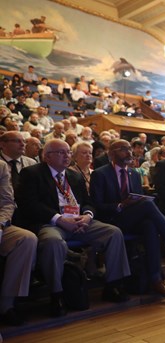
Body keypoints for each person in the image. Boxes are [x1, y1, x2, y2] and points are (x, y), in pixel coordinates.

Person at [15, 139, 132, 317]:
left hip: (79, 221)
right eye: (61, 152)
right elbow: (29, 204)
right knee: (53, 242)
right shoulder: (32, 173)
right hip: (51, 223)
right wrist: (59, 219)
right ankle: (57, 294)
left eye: (68, 152)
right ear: (46, 156)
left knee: (113, 232)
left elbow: (88, 202)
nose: (67, 156)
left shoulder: (74, 176)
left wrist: (87, 216)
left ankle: (113, 284)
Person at [90, 140, 165, 297]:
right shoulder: (100, 174)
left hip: (132, 219)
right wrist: (120, 205)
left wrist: (133, 202)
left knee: (150, 225)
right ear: (111, 154)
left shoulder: (134, 174)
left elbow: (138, 198)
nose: (129, 153)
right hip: (111, 220)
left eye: (130, 149)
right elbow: (97, 206)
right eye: (123, 149)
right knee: (146, 206)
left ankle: (156, 280)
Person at [0, 160, 38, 326]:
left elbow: (7, 202)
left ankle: (6, 304)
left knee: (26, 239)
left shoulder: (1, 166)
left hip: (1, 225)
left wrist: (1, 224)